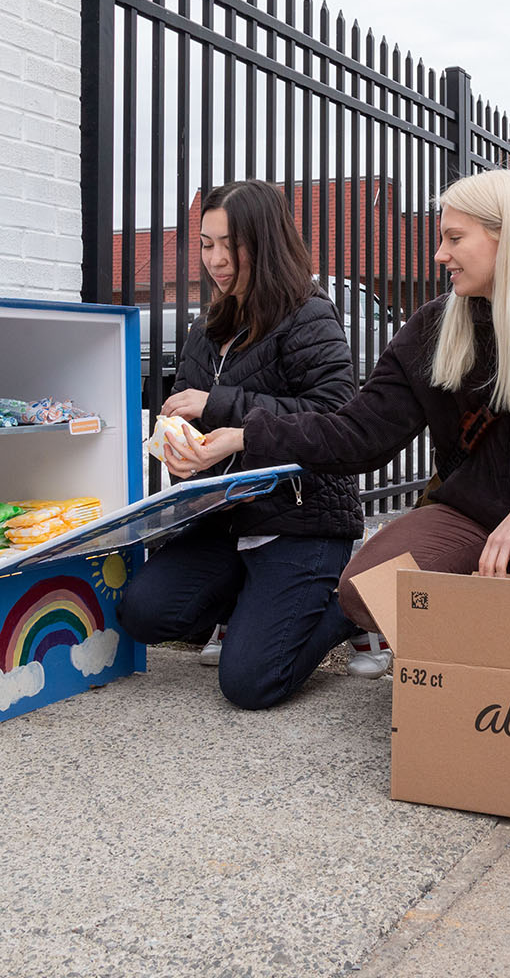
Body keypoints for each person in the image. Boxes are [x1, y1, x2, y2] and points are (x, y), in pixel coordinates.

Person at [165, 168, 510, 679]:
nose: (440, 254)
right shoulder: (434, 327)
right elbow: (359, 433)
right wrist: (245, 434)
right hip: (474, 517)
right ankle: (488, 656)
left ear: (508, 238)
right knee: (366, 589)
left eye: (454, 238)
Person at [118, 180, 365, 711]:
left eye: (230, 243)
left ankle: (353, 605)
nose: (215, 258)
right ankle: (254, 606)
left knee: (251, 683)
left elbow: (338, 415)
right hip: (223, 520)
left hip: (302, 520)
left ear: (265, 238)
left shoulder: (308, 314)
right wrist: (179, 452)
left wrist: (219, 407)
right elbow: (188, 414)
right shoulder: (206, 328)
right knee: (143, 613)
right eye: (206, 244)